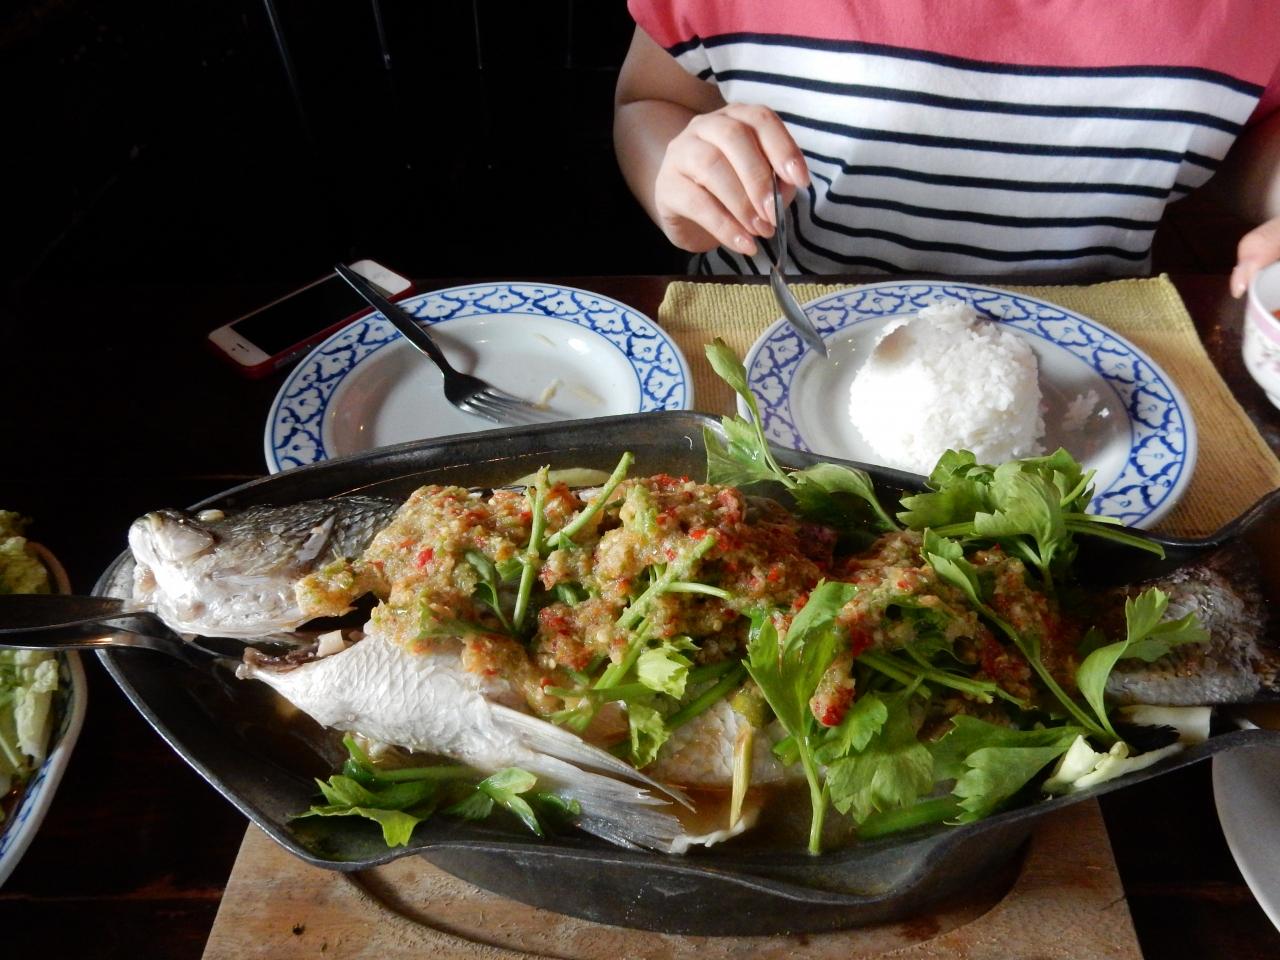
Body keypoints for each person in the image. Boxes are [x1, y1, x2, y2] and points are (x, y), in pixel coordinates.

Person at [613, 0, 1280, 296]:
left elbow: (1253, 131)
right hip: (769, 324)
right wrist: (678, 180)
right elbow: (650, 100)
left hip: (1100, 360)